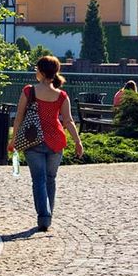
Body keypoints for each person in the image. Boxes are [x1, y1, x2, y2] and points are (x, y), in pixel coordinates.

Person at [8, 55, 83, 232]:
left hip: (33, 140)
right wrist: (78, 142)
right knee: (50, 179)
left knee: (39, 179)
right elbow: (69, 120)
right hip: (56, 141)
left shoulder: (29, 91)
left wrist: (13, 139)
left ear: (41, 72)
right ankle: (48, 215)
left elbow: (19, 116)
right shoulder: (62, 95)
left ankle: (44, 217)